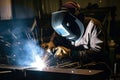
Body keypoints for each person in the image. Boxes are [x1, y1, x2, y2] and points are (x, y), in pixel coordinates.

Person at [41, 1, 112, 79]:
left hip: (97, 69)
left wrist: (71, 53)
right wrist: (48, 49)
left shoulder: (93, 26)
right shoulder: (60, 26)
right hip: (75, 69)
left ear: (77, 19)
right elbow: (52, 43)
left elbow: (98, 53)